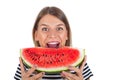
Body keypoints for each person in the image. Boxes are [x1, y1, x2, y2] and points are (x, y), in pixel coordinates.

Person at [14, 6, 93, 80]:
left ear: (67, 34)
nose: (52, 35)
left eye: (59, 28)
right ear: (36, 35)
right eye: (45, 29)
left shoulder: (79, 65)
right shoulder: (25, 67)